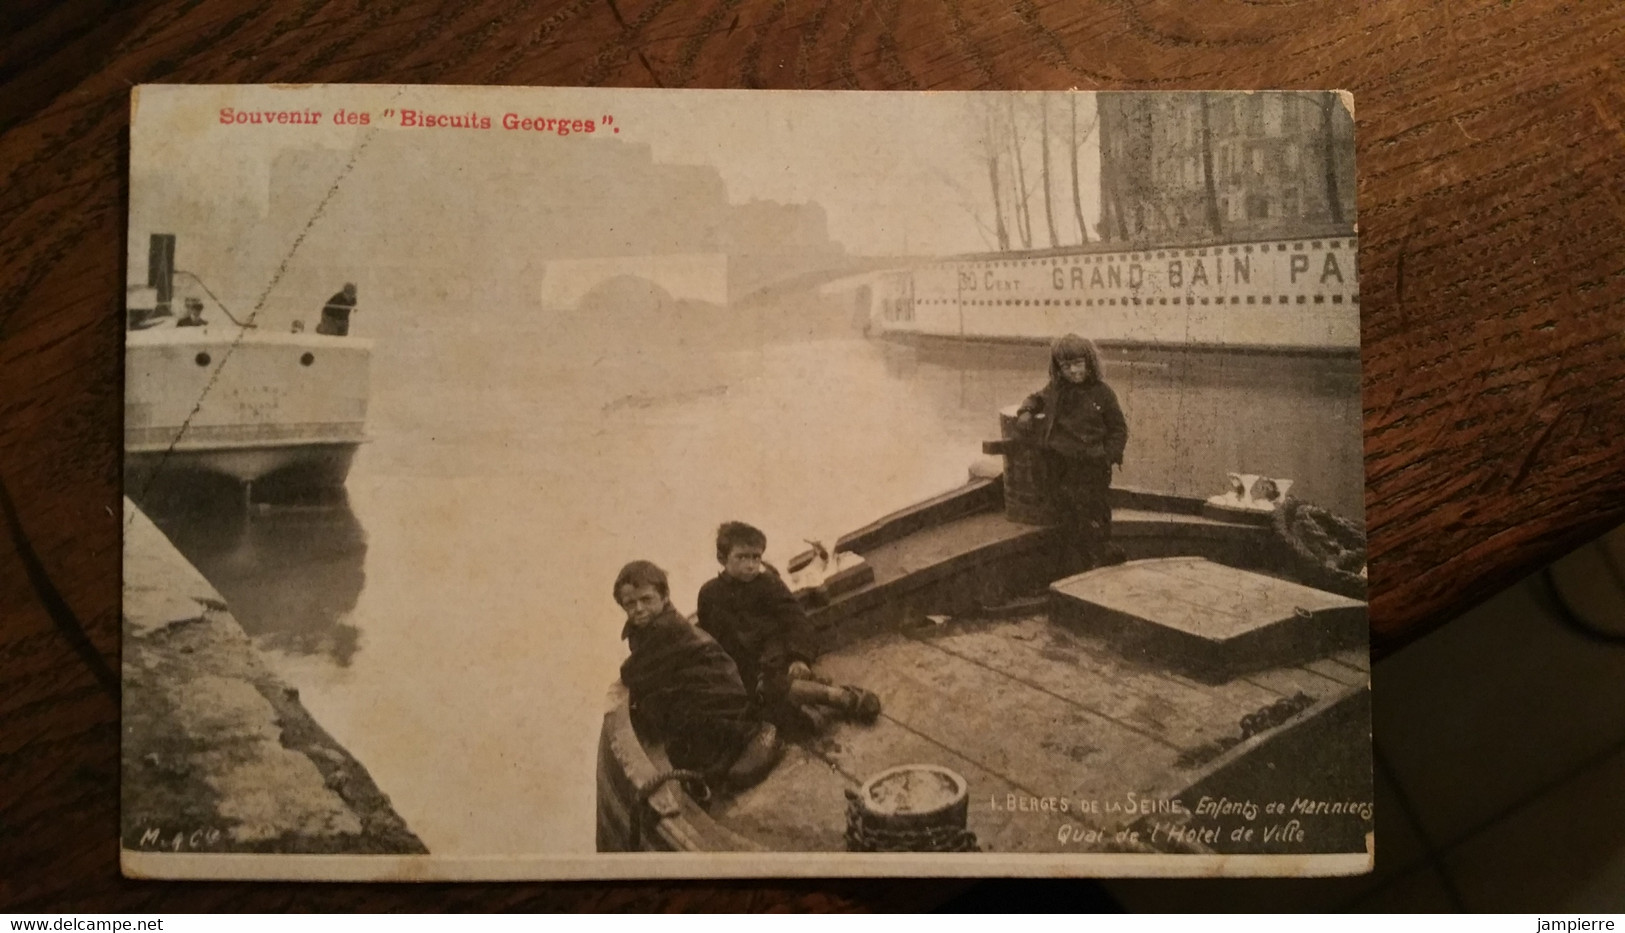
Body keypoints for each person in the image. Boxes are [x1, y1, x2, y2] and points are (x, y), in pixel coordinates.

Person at [697, 522, 881, 736]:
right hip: (745, 668)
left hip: (779, 655)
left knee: (778, 690)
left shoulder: (767, 583)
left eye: (756, 557)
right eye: (742, 557)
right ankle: (827, 696)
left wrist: (798, 657)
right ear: (722, 558)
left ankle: (833, 697)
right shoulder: (710, 595)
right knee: (781, 708)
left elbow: (795, 619)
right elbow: (714, 643)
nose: (750, 565)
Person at [614, 560, 781, 789]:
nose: (638, 609)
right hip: (699, 687)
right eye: (630, 604)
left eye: (646, 599)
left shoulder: (668, 628)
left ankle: (757, 734)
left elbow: (637, 670)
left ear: (664, 597)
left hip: (721, 691)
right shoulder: (647, 628)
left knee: (688, 718)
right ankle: (716, 760)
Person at [1015, 333, 1129, 573]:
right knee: (1066, 516)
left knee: (1095, 513)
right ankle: (1071, 565)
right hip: (1061, 467)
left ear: (1089, 362)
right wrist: (1025, 411)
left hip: (1092, 468)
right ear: (1058, 368)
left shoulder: (1103, 393)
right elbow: (1035, 398)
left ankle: (1098, 559)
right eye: (1066, 366)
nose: (1073, 371)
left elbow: (1118, 429)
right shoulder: (1057, 390)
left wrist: (1108, 455)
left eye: (1078, 364)